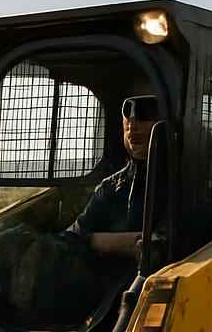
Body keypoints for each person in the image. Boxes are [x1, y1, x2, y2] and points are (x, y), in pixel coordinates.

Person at [65, 94, 159, 254]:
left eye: (145, 113)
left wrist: (92, 240)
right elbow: (74, 235)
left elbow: (162, 243)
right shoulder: (111, 186)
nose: (132, 125)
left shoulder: (186, 183)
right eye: (127, 113)